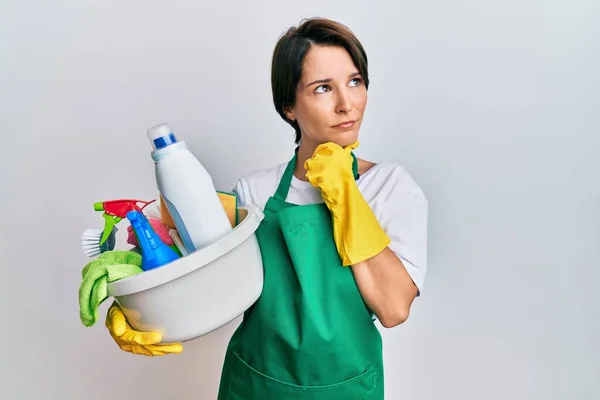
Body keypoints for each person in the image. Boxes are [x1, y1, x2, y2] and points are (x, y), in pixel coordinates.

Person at [104, 17, 428, 399]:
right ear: (289, 106)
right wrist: (136, 308)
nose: (347, 104)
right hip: (255, 386)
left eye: (355, 81)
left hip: (347, 389)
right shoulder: (253, 193)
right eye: (323, 88)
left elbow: (394, 309)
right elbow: (189, 274)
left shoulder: (389, 187)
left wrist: (346, 194)